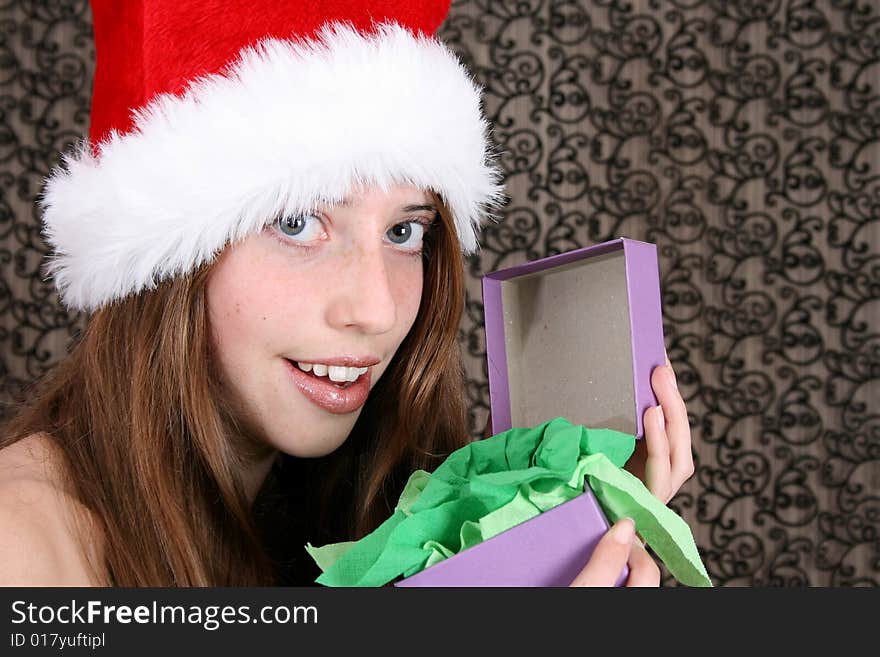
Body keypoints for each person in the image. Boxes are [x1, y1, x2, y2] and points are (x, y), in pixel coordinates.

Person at [0, 0, 693, 587]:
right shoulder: (21, 546)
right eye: (298, 222)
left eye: (402, 231)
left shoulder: (372, 502)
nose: (378, 310)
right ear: (169, 256)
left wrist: (555, 536)